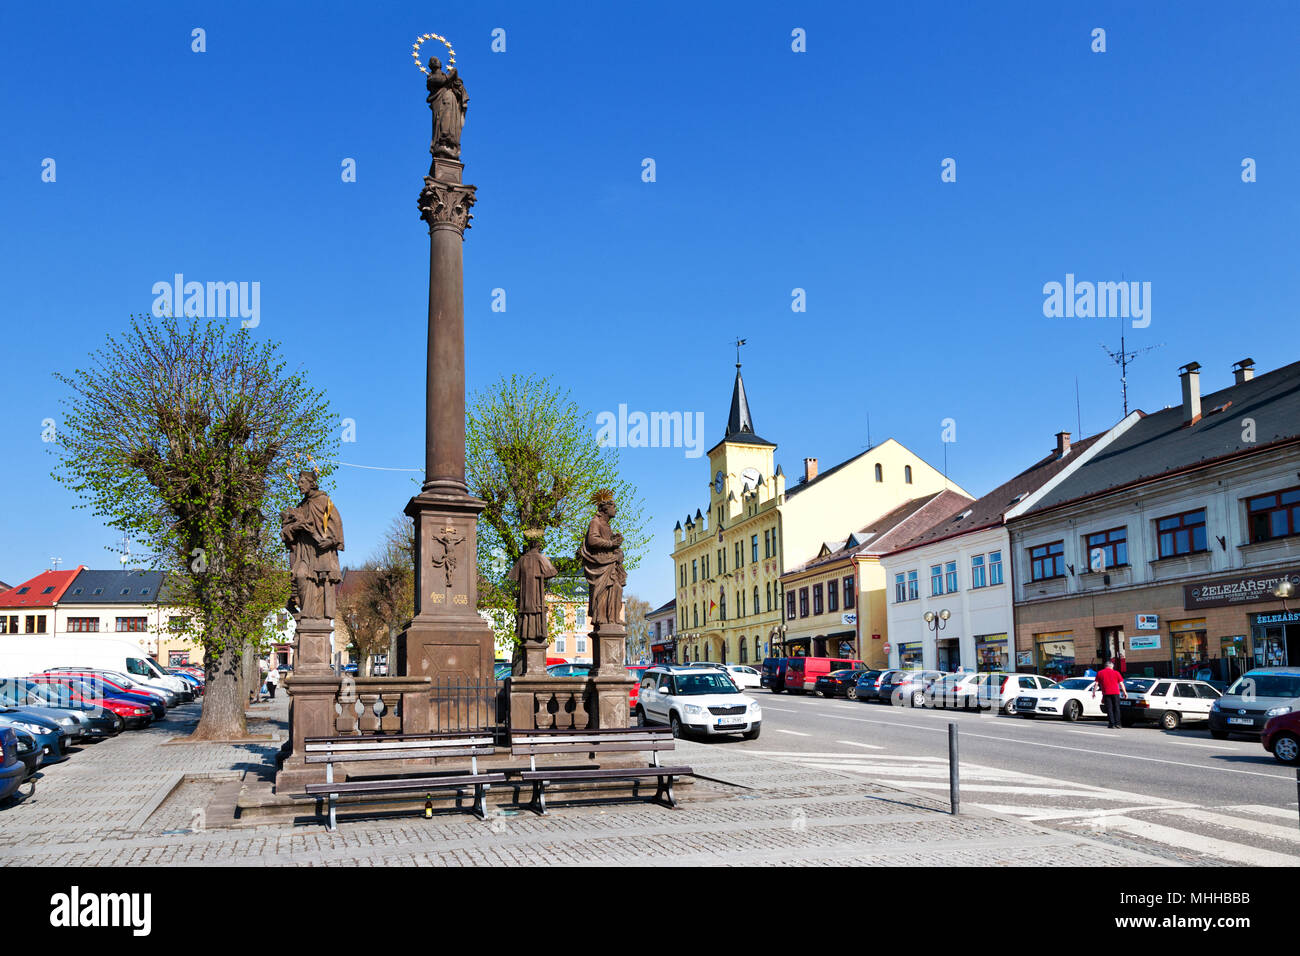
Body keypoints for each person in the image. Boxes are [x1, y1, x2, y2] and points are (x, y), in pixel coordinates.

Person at [1093, 659, 1127, 728]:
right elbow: (1121, 684)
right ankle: (1118, 724)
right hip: (1115, 693)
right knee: (1117, 708)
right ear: (1111, 666)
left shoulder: (1100, 673)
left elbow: (1096, 684)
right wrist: (1124, 692)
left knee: (1109, 708)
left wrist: (1093, 692)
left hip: (1106, 693)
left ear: (1105, 666)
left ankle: (1112, 724)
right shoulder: (1116, 673)